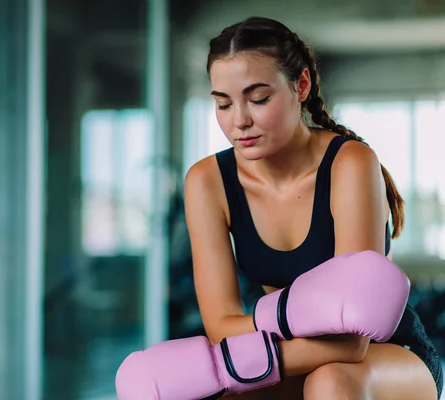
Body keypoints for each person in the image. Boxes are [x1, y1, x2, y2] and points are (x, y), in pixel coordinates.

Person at [180, 16, 443, 399]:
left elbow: (353, 340)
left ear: (301, 86)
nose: (240, 121)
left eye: (258, 99)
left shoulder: (350, 163)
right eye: (223, 104)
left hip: (387, 354)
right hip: (299, 351)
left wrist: (239, 365)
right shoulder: (207, 181)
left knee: (329, 382)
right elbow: (220, 325)